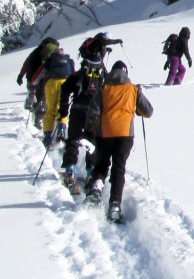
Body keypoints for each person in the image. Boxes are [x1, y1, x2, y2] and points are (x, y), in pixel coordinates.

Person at [83, 61, 154, 223]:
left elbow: (93, 112)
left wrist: (89, 130)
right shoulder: (133, 89)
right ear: (126, 73)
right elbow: (147, 112)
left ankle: (96, 187)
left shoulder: (104, 88)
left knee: (101, 164)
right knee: (119, 168)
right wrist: (138, 95)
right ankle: (114, 205)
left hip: (105, 133)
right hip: (125, 135)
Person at [57, 57, 105, 194]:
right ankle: (91, 172)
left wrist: (63, 110)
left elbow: (65, 88)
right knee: (93, 142)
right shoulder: (101, 77)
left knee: (73, 139)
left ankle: (70, 170)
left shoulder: (78, 75)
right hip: (95, 114)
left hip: (77, 110)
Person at [17, 37, 59, 129]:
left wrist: (21, 75)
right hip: (47, 79)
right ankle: (39, 119)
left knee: (33, 93)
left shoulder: (36, 51)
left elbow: (26, 64)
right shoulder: (54, 53)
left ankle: (30, 109)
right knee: (42, 98)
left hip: (32, 77)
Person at [40, 48, 75, 146]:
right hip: (65, 83)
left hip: (51, 83)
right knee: (62, 107)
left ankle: (48, 135)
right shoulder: (69, 60)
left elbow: (43, 72)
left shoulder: (50, 60)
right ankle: (62, 129)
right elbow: (73, 73)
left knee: (50, 109)